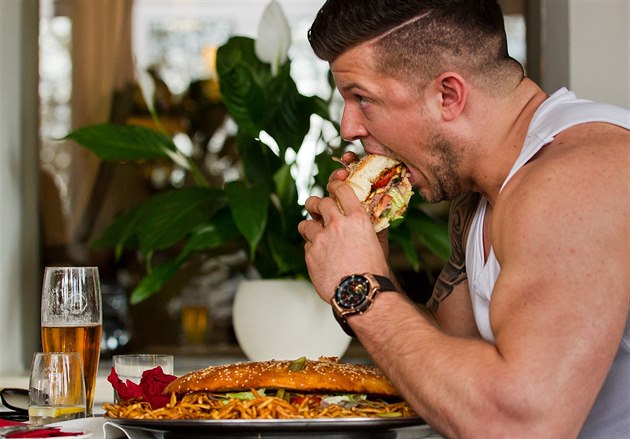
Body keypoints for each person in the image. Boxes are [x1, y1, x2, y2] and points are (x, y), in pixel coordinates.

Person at [297, 0, 630, 437]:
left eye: (362, 98)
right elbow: (449, 357)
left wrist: (358, 289)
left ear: (448, 96)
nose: (348, 128)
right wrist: (373, 269)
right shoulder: (480, 198)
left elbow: (522, 425)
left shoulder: (569, 182)